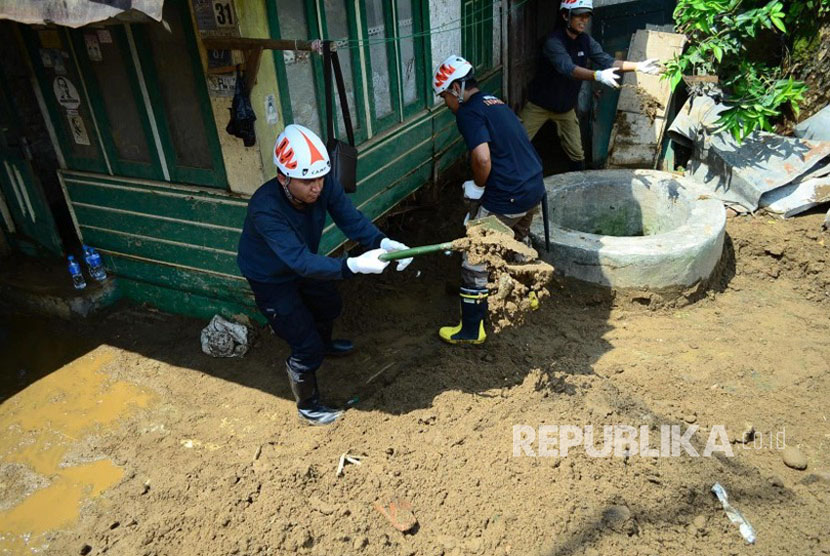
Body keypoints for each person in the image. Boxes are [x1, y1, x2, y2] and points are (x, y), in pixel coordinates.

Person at [237, 124, 412, 426]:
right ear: (283, 178)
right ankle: (308, 405)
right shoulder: (265, 208)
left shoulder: (323, 184)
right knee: (304, 344)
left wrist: (381, 242)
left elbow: (350, 218)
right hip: (270, 276)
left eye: (320, 177)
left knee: (329, 304)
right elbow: (300, 262)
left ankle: (325, 345)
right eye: (307, 181)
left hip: (303, 260)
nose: (317, 187)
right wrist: (351, 265)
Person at [433, 55, 545, 345]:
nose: (446, 103)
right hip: (533, 186)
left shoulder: (468, 112)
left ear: (456, 88)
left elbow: (482, 158)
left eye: (445, 95)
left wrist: (477, 186)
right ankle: (528, 296)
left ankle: (471, 330)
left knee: (475, 255)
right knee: (518, 241)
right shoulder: (494, 101)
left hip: (508, 193)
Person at [521, 0, 662, 171]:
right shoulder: (553, 41)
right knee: (514, 141)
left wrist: (638, 66)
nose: (583, 20)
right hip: (539, 105)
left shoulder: (586, 41)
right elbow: (568, 68)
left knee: (577, 154)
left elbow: (607, 61)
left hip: (565, 108)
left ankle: (581, 186)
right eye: (578, 16)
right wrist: (597, 75)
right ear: (566, 16)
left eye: (586, 16)